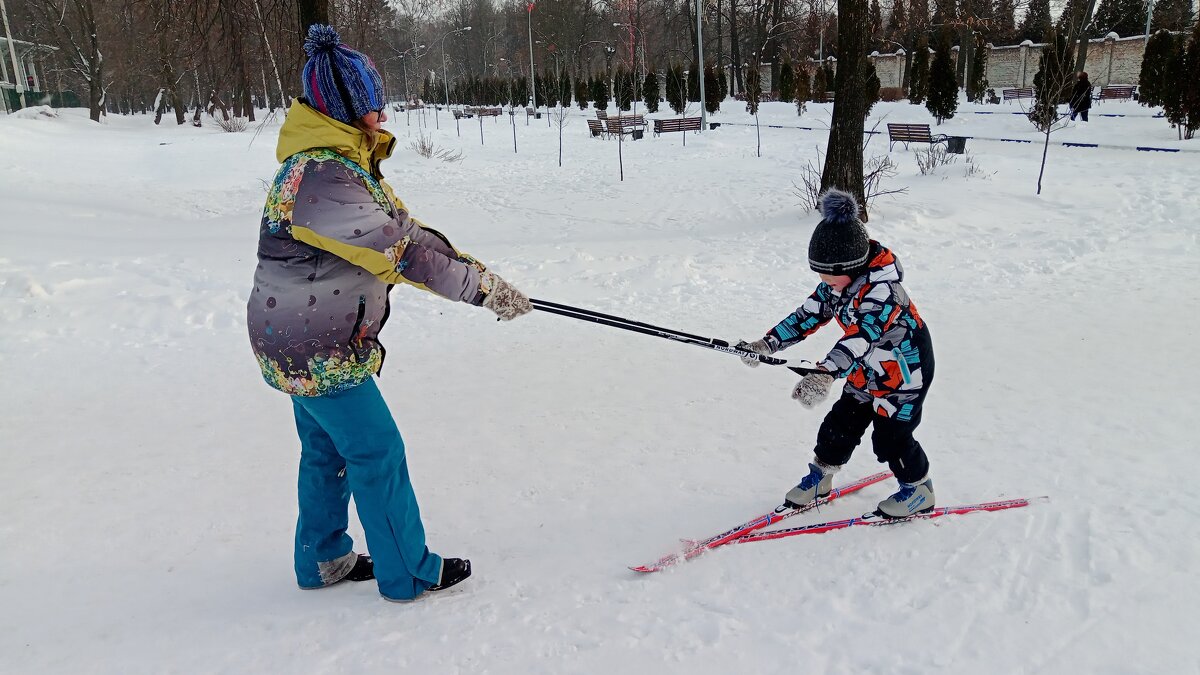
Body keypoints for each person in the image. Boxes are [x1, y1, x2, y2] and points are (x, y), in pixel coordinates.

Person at [247, 25, 532, 602]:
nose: (383, 113)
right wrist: (482, 292)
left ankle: (322, 557)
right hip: (315, 345)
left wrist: (483, 277)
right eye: (373, 104)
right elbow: (404, 253)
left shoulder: (333, 165)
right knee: (377, 451)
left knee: (327, 450)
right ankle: (409, 572)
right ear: (349, 109)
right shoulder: (322, 178)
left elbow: (408, 232)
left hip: (297, 338)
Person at [736, 189, 936, 518]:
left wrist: (826, 372)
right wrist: (767, 343)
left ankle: (918, 491)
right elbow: (806, 316)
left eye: (829, 274)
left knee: (891, 438)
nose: (824, 280)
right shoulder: (837, 283)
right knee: (839, 424)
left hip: (903, 372)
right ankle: (821, 479)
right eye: (820, 273)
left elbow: (861, 337)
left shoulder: (884, 293)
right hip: (865, 368)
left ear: (853, 265)